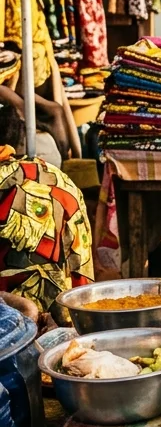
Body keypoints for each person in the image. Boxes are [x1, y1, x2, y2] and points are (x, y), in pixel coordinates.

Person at [0, 103, 93, 317]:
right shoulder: (58, 176)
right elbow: (80, 254)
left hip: (13, 320)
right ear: (20, 137)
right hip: (69, 309)